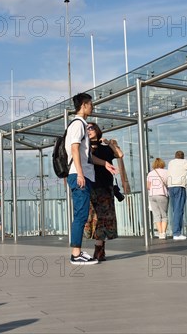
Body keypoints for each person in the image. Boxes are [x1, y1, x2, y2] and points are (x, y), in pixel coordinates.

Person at [65, 93, 118, 265]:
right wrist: (80, 174)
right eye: (90, 104)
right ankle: (76, 254)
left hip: (84, 174)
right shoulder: (78, 125)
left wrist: (105, 164)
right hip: (79, 175)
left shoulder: (81, 125)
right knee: (80, 215)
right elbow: (74, 150)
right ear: (84, 105)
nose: (92, 106)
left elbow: (86, 156)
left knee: (81, 214)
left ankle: (77, 252)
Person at [83, 122, 123, 261]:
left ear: (97, 130)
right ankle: (98, 250)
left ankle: (99, 250)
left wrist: (108, 143)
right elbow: (89, 159)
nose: (89, 130)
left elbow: (119, 154)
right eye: (86, 128)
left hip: (106, 186)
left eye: (91, 128)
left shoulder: (105, 148)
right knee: (94, 218)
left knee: (104, 218)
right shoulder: (85, 147)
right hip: (92, 186)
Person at [167, 151, 187, 240]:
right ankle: (177, 233)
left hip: (170, 187)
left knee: (175, 210)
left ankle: (176, 231)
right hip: (179, 187)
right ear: (183, 157)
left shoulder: (171, 163)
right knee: (179, 210)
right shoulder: (184, 162)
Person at [147, 158, 169, 239]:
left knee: (156, 215)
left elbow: (148, 186)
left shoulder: (150, 173)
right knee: (164, 215)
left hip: (152, 195)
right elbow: (169, 183)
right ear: (162, 164)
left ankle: (160, 233)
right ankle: (163, 233)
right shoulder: (166, 172)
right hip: (162, 194)